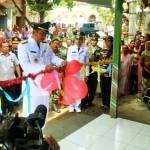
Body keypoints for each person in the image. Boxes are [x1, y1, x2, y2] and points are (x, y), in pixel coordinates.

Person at [17, 22, 66, 117]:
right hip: (32, 85)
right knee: (31, 111)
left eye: (45, 34)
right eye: (41, 33)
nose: (44, 36)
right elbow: (25, 65)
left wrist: (61, 62)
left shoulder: (46, 46)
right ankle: (29, 132)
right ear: (34, 32)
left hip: (46, 83)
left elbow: (53, 58)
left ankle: (41, 131)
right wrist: (44, 67)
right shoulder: (23, 45)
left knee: (44, 110)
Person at [67, 32, 89, 112]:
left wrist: (86, 74)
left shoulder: (86, 49)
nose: (78, 41)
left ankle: (77, 105)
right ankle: (71, 105)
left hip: (81, 72)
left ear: (82, 40)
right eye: (77, 39)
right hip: (73, 72)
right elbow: (68, 60)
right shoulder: (70, 48)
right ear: (75, 39)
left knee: (79, 88)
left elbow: (87, 63)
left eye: (80, 39)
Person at [0, 39, 21, 115]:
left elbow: (17, 65)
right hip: (2, 81)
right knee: (3, 97)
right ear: (1, 48)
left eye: (7, 46)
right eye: (4, 47)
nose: (6, 48)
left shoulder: (13, 55)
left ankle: (11, 109)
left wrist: (19, 76)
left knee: (12, 95)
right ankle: (4, 111)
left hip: (12, 80)